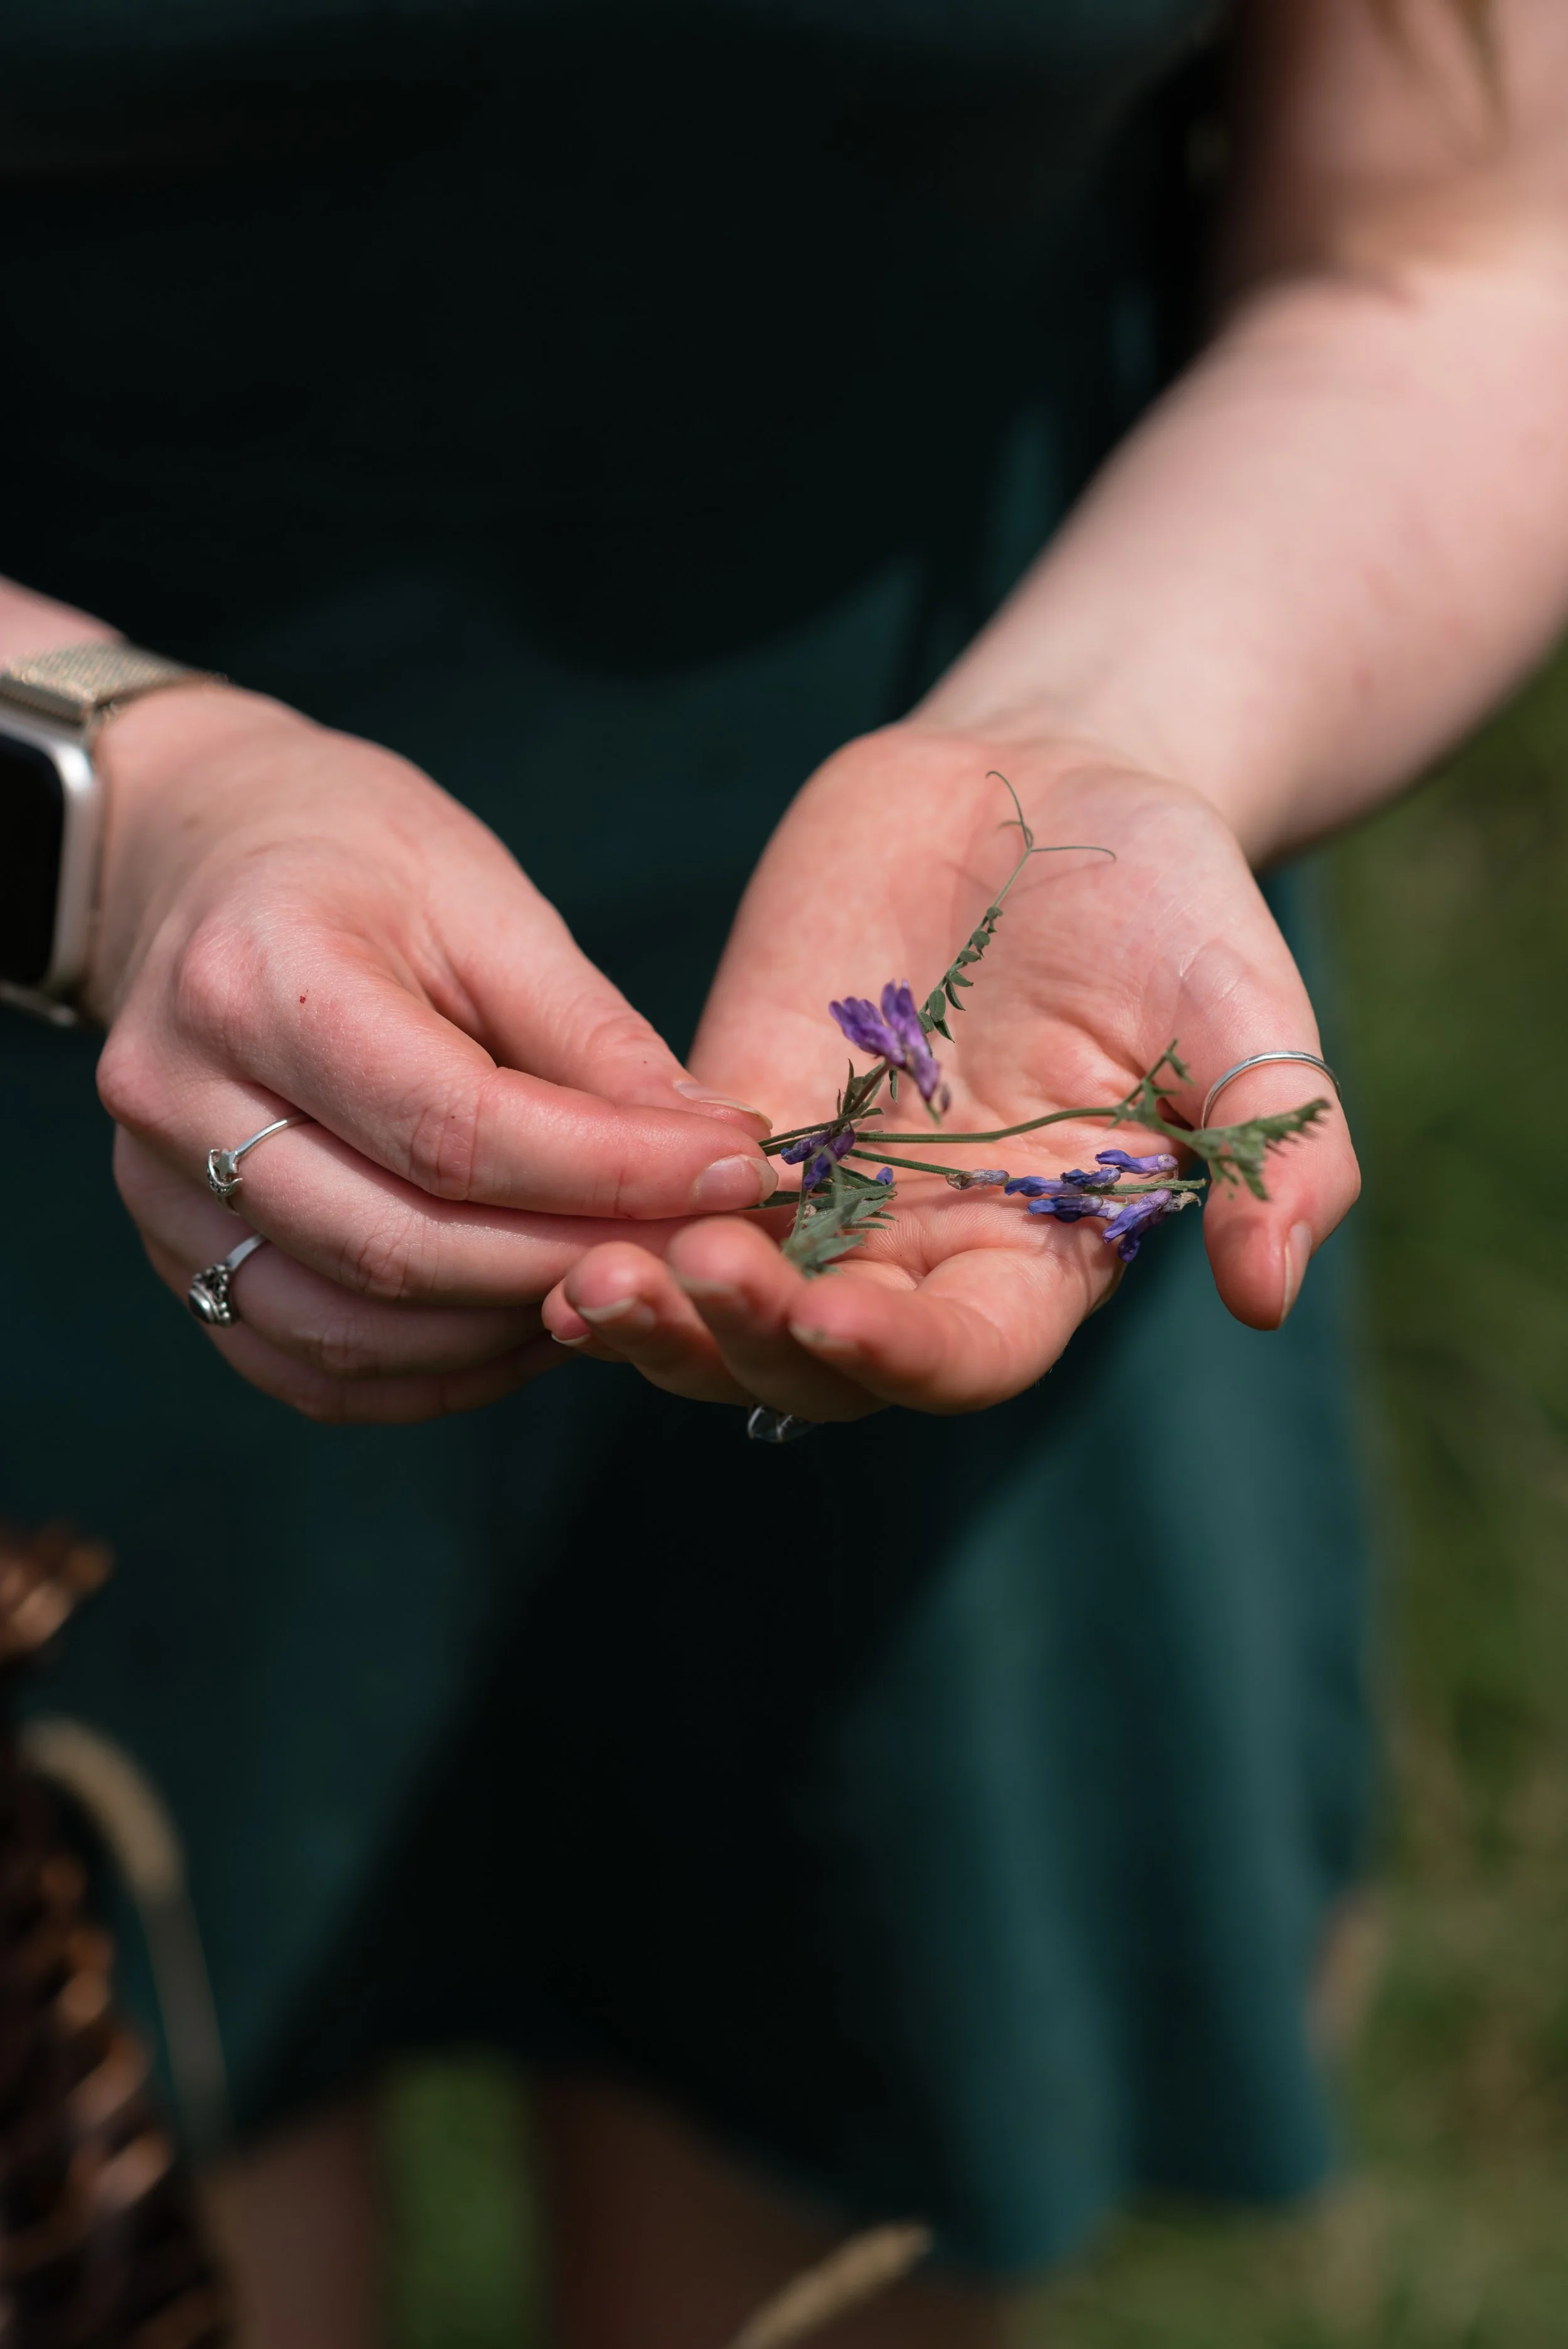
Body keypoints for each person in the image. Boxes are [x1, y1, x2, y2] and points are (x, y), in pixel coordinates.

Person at [1, 0, 1565, 2341]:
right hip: (54, 985)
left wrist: (1116, 735)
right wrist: (107, 820)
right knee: (118, 2237)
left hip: (990, 880)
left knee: (816, 2206)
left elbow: (1464, 240)